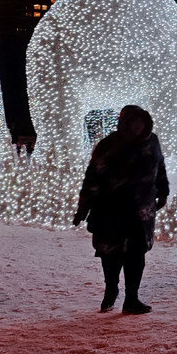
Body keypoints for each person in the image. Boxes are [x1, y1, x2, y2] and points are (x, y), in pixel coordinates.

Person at [73, 105, 169, 314]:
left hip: (140, 210)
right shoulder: (109, 145)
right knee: (111, 253)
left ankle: (131, 298)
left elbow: (159, 167)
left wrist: (163, 190)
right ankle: (111, 289)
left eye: (141, 122)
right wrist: (84, 206)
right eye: (134, 122)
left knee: (137, 253)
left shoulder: (152, 142)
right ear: (125, 124)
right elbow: (93, 177)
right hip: (111, 209)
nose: (138, 127)